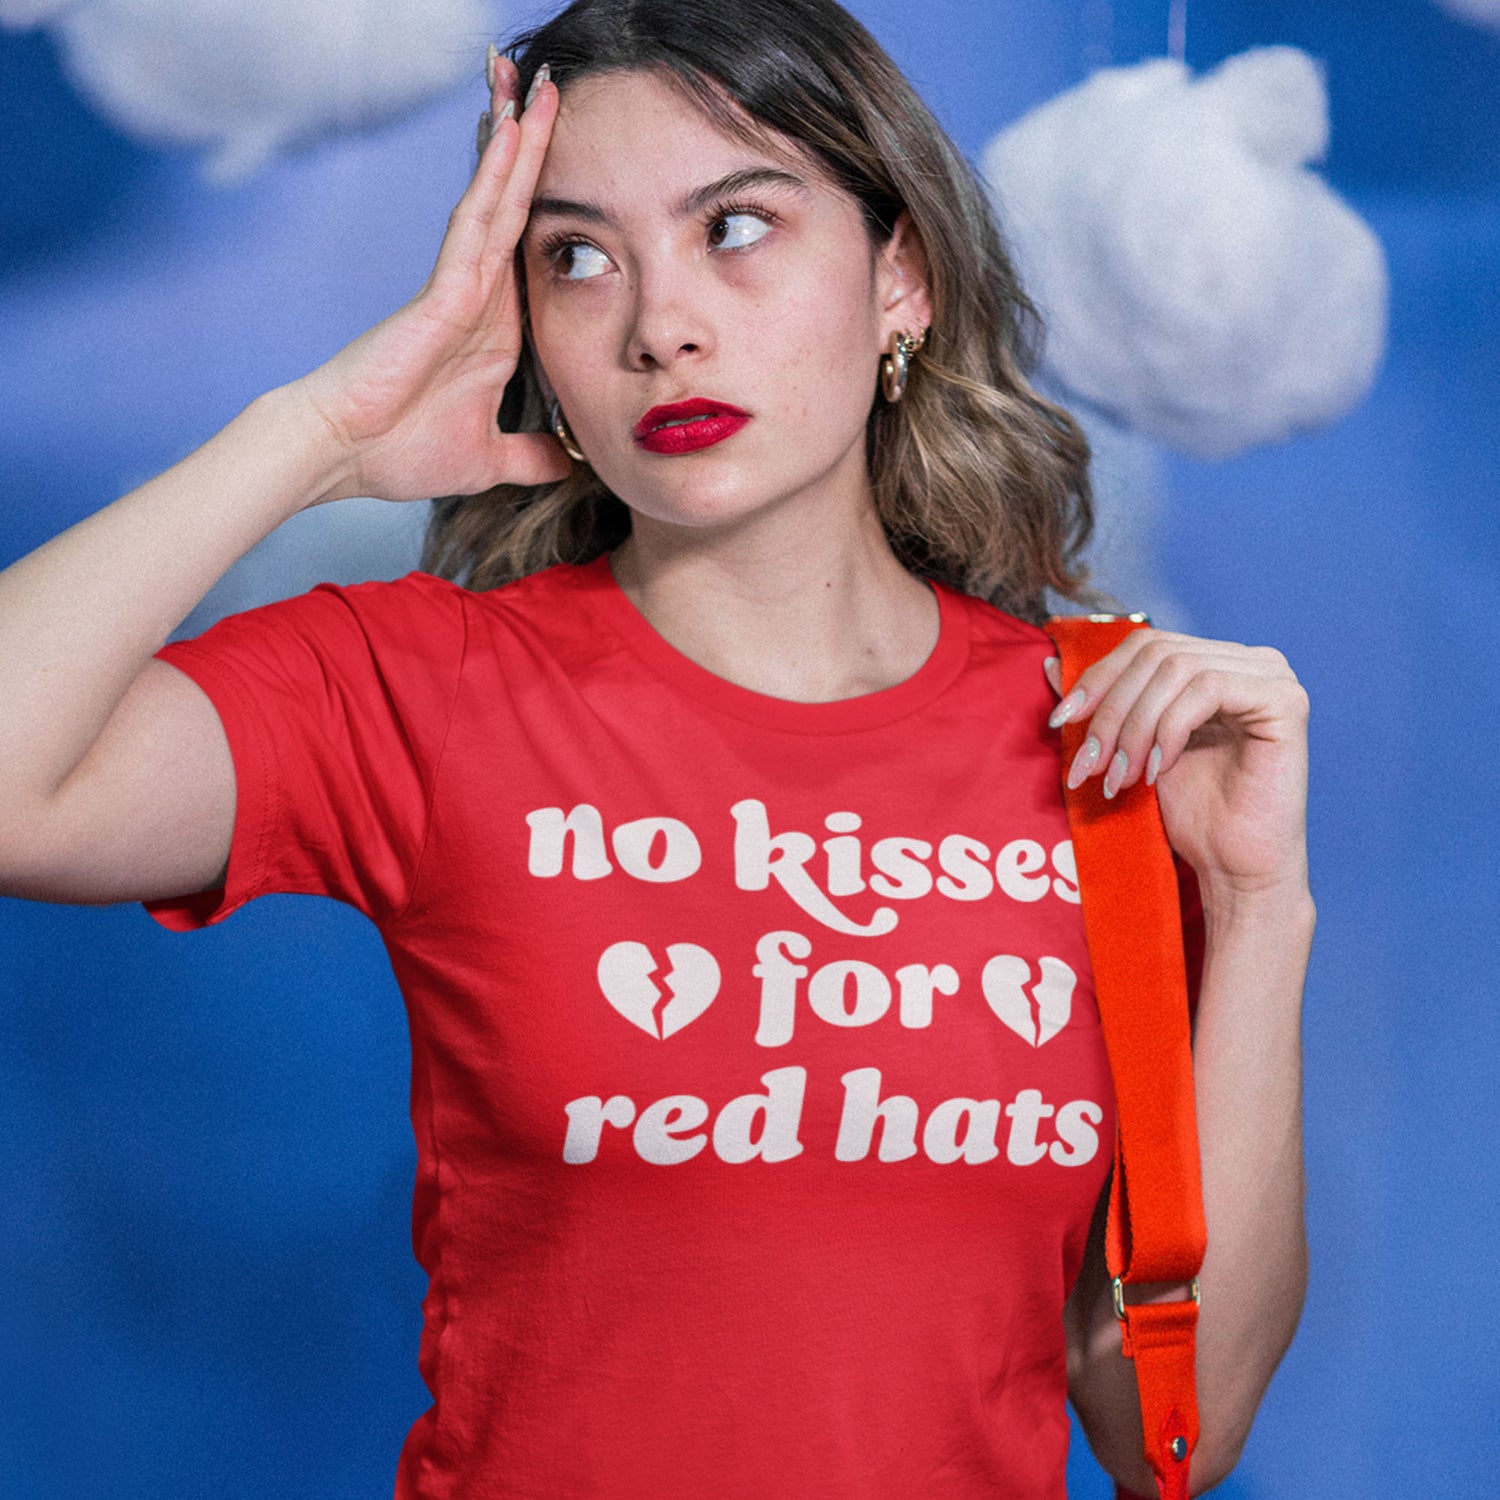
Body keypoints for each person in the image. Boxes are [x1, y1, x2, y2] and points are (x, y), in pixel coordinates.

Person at [0, 0, 1313, 1495]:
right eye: (577, 256)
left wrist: (1260, 903)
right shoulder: (425, 685)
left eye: (735, 228)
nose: (659, 325)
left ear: (901, 275)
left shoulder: (1098, 739)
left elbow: (1170, 1434)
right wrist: (317, 436)